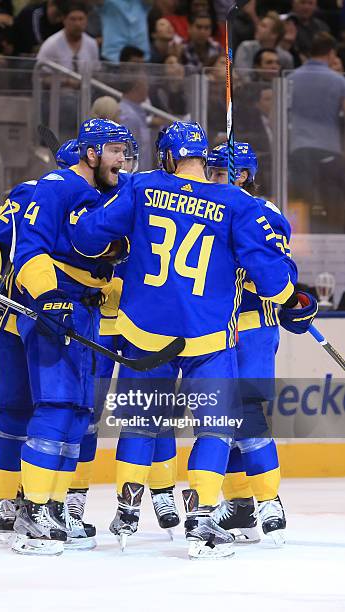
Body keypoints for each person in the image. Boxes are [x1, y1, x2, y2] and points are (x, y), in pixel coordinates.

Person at [72, 120, 302, 558]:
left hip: (146, 332)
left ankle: (126, 509)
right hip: (208, 335)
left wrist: (118, 243)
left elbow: (86, 238)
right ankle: (201, 521)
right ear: (200, 159)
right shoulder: (235, 202)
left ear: (169, 157)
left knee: (142, 420)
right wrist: (292, 297)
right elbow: (270, 279)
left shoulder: (140, 187)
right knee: (216, 428)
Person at [10, 119, 134, 556]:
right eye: (116, 150)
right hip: (55, 307)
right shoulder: (54, 186)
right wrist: (47, 298)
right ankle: (33, 508)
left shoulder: (108, 195)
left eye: (125, 151)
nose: (123, 160)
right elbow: (28, 248)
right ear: (93, 152)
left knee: (79, 412)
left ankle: (56, 505)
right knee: (56, 406)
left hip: (86, 312)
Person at [206, 142, 317, 546]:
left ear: (242, 175)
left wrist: (263, 276)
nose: (214, 179)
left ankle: (269, 499)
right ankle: (238, 504)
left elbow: (282, 268)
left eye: (221, 173)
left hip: (252, 324)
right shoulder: (202, 209)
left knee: (247, 411)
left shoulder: (263, 212)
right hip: (214, 328)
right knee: (222, 416)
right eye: (210, 172)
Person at [288, 32, 345, 233]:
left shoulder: (291, 78)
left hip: (299, 148)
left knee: (302, 200)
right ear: (331, 53)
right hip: (330, 149)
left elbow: (277, 114)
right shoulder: (338, 81)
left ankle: (299, 240)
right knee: (333, 202)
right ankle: (334, 241)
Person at [36, 1, 99, 75]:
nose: (77, 24)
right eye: (73, 19)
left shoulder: (92, 44)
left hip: (85, 86)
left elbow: (96, 73)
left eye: (81, 19)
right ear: (64, 19)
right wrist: (66, 81)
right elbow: (40, 76)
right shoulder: (51, 45)